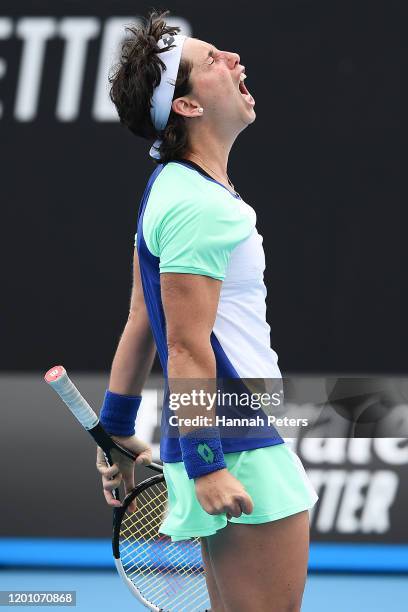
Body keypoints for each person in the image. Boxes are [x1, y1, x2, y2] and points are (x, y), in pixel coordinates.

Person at [96, 10, 318, 612]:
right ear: (188, 107)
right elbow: (188, 345)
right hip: (237, 440)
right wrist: (208, 462)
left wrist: (116, 426)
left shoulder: (170, 186)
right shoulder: (203, 208)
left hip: (229, 437)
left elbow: (145, 315)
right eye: (214, 59)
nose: (234, 59)